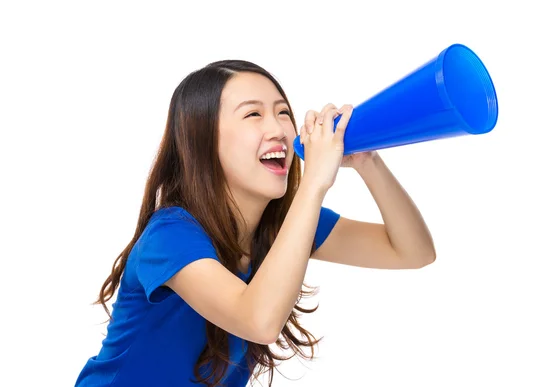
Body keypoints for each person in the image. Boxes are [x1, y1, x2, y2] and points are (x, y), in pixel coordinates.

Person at [74, 60, 436, 387]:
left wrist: (368, 162)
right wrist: (314, 183)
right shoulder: (169, 235)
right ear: (203, 140)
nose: (279, 129)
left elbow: (412, 251)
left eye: (282, 112)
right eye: (253, 115)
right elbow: (258, 320)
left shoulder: (285, 224)